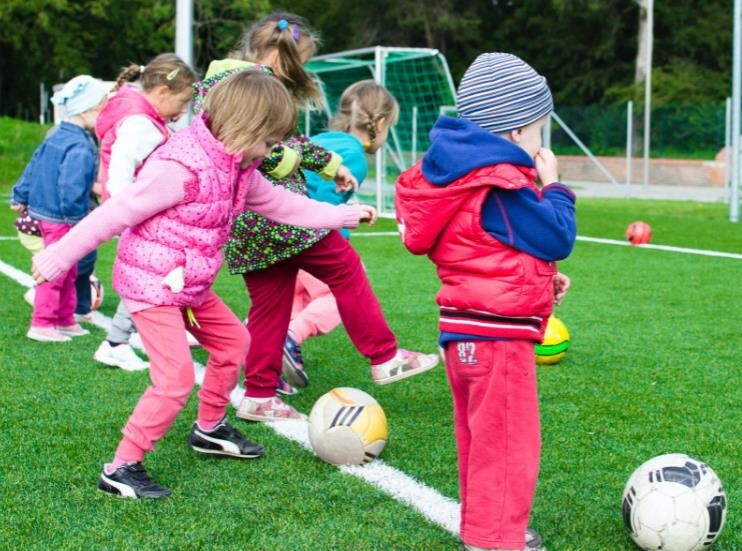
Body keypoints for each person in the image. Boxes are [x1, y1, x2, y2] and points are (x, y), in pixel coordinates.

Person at [31, 70, 377, 499]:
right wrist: (58, 257)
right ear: (245, 128)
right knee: (175, 379)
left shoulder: (239, 165)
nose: (273, 153)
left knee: (235, 343)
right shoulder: (179, 167)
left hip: (188, 284)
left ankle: (209, 429)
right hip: (152, 285)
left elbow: (280, 204)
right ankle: (120, 467)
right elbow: (114, 213)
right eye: (270, 143)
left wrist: (341, 215)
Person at [194, 13, 438, 422]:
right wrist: (298, 167)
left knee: (271, 305)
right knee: (345, 268)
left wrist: (330, 166)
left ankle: (258, 395)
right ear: (277, 55)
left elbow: (287, 141)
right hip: (277, 215)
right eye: (299, 63)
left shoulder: (223, 81)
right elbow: (262, 150)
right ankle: (384, 356)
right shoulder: (249, 86)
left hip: (247, 224)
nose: (300, 72)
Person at [394, 53, 576, 551]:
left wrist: (540, 283)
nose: (543, 143)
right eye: (540, 130)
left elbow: (487, 250)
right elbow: (557, 234)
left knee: (481, 439)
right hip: (496, 339)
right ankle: (494, 544)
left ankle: (488, 526)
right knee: (508, 441)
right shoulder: (499, 184)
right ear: (516, 129)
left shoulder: (462, 178)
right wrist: (556, 185)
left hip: (467, 331)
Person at [281, 80, 400, 390]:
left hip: (279, 232)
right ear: (381, 123)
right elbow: (322, 201)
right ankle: (290, 339)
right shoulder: (355, 157)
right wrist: (345, 218)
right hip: (308, 237)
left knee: (289, 300)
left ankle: (261, 352)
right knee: (339, 294)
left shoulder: (324, 139)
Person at [91, 53, 198, 372]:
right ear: (162, 93)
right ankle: (115, 342)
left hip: (140, 212)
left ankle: (132, 335)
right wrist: (130, 211)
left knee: (160, 272)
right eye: (182, 102)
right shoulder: (141, 124)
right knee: (151, 275)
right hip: (139, 215)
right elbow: (121, 173)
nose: (181, 114)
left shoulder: (143, 116)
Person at [11, 75, 109, 343]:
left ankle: (64, 319)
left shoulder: (57, 135)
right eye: (102, 109)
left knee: (69, 269)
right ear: (87, 110)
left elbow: (34, 164)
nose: (104, 116)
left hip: (49, 213)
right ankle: (42, 323)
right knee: (56, 269)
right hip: (62, 217)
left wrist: (20, 193)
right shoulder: (79, 144)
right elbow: (71, 185)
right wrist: (77, 220)